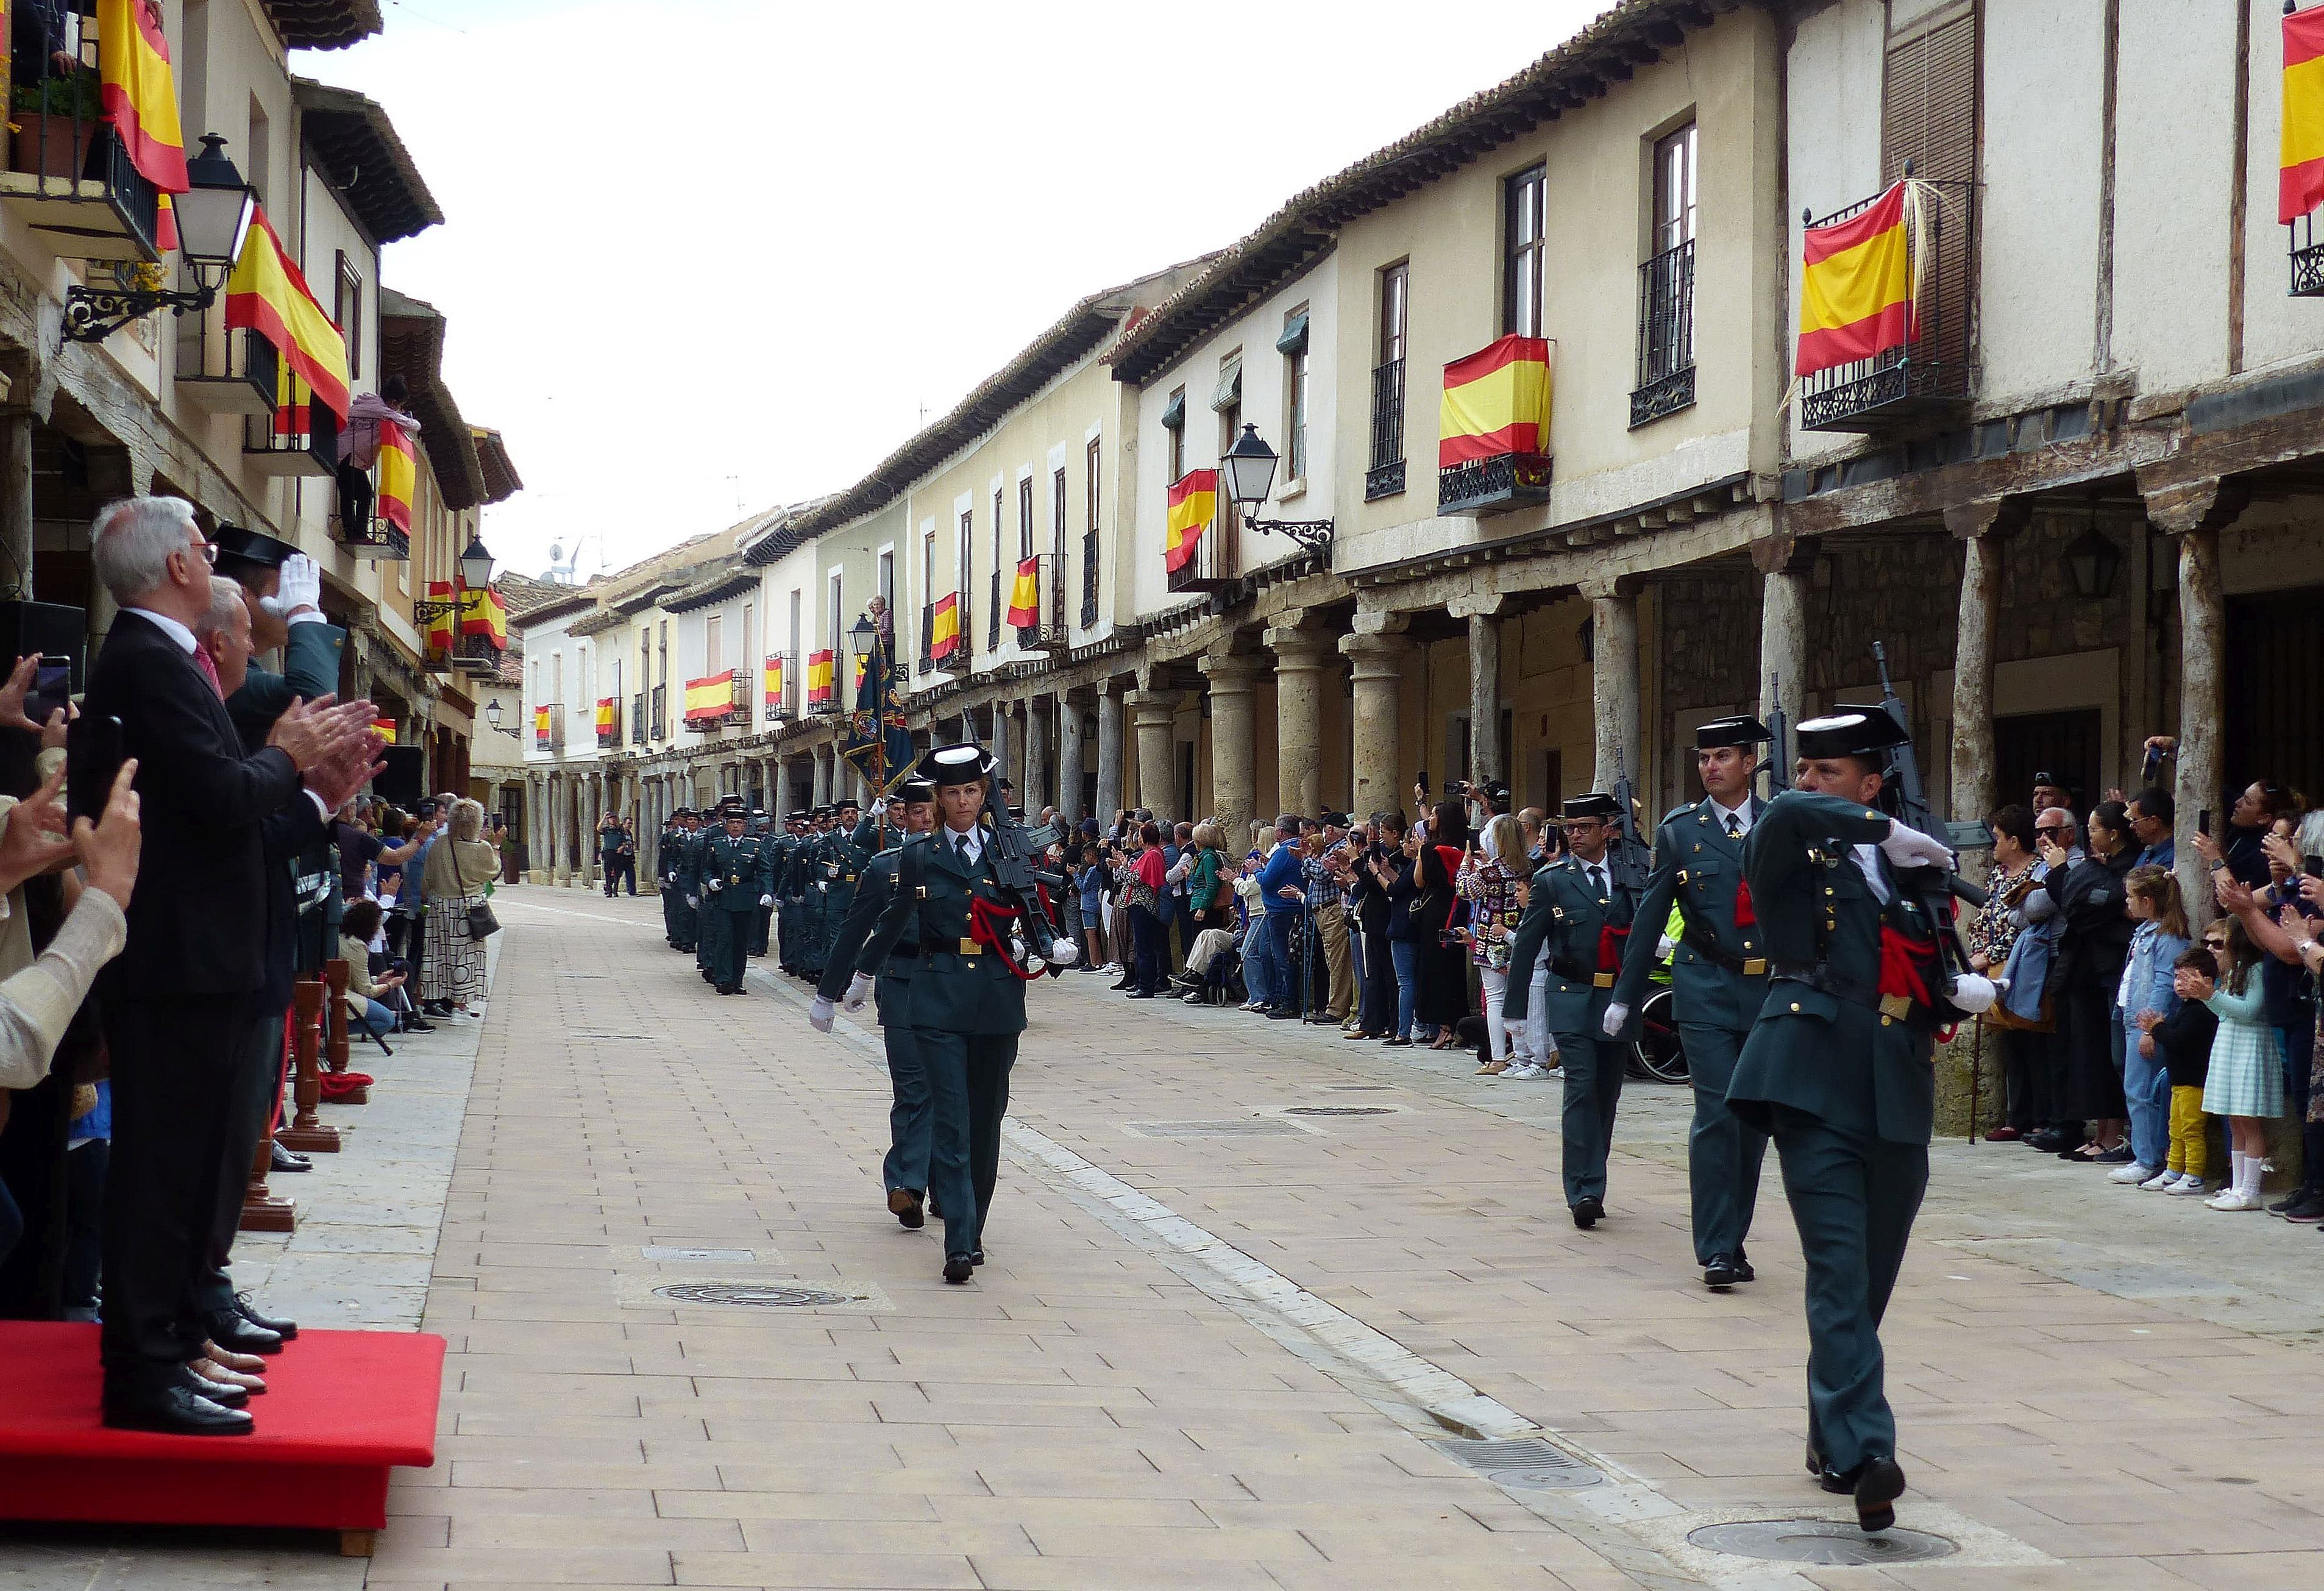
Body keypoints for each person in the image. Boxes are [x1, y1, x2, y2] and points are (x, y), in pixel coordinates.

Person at [84, 496, 375, 1436]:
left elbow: (225, 810)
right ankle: (142, 1365)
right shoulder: (146, 662)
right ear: (176, 567)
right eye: (208, 552)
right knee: (161, 1170)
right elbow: (218, 794)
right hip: (175, 962)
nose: (217, 567)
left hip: (197, 957)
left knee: (191, 1161)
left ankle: (172, 1337)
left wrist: (310, 785)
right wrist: (289, 756)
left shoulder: (164, 663)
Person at [1722, 703, 1995, 1535]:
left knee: (1867, 1287)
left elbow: (1924, 967)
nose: (1806, 782)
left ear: (1873, 778)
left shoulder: (1914, 878)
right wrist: (1877, 824)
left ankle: (1830, 1433)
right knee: (1837, 1273)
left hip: (1895, 1089)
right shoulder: (1792, 848)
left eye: (1828, 770)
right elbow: (1787, 812)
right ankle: (1867, 1449)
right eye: (1802, 767)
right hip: (1811, 1080)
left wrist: (1956, 987)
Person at [826, 743, 1078, 1283]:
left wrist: (1053, 944)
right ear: (938, 800)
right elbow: (891, 923)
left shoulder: (1011, 854)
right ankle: (958, 1244)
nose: (962, 801)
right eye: (952, 793)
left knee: (985, 1125)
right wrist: (853, 981)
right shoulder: (918, 855)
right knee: (950, 1121)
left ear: (982, 795)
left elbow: (1034, 912)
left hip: (995, 998)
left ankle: (974, 1227)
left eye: (970, 791)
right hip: (936, 999)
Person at [1606, 715, 1774, 1290]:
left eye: (1722, 757)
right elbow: (1650, 914)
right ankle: (1715, 1248)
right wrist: (1624, 998)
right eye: (1704, 759)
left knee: (1753, 1119)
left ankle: (1735, 1236)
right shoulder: (1682, 830)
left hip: (1767, 991)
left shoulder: (1779, 825)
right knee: (1717, 1112)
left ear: (1748, 764)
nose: (1709, 767)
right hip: (1703, 986)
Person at [1504, 793, 1640, 1228]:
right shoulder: (1551, 880)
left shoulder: (1632, 873)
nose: (1575, 835)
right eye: (1570, 828)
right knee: (1580, 1087)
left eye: (1585, 827)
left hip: (1616, 997)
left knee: (1606, 1094)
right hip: (1570, 994)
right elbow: (1527, 944)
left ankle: (1592, 1176)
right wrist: (1515, 1008)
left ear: (1607, 830)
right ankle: (1582, 1190)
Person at [811, 777, 938, 1226]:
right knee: (912, 1089)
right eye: (916, 812)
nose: (925, 819)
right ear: (902, 815)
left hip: (958, 988)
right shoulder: (887, 866)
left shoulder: (971, 860)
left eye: (931, 810)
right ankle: (905, 1185)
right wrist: (829, 993)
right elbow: (854, 930)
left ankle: (945, 1182)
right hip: (902, 982)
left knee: (954, 1092)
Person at [2041, 800, 2138, 1162]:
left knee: (2107, 1053)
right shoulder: (2099, 867)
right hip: (2085, 969)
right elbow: (2077, 903)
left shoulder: (2128, 867)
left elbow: (2088, 903)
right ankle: (2101, 1132)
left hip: (2109, 967)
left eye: (2095, 829)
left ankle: (2114, 1136)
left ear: (2113, 834)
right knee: (2089, 1053)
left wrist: (2064, 873)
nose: (2090, 835)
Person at [2110, 867, 2190, 1187]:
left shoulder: (2168, 939)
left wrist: (2151, 1028)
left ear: (2147, 900)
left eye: (2131, 897)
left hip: (2145, 1023)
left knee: (2142, 1091)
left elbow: (2163, 984)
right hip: (2129, 1016)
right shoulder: (2145, 932)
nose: (2127, 903)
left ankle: (2148, 1158)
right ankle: (2145, 1153)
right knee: (2135, 1088)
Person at [1457, 815, 1526, 1075]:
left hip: (1490, 941)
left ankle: (1498, 1056)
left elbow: (1463, 890)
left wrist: (1466, 864)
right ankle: (1525, 1054)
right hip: (1520, 937)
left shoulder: (1488, 872)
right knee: (1523, 998)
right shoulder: (1527, 868)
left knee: (1496, 999)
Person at [419, 799, 497, 1017]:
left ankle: (439, 999)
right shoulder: (482, 848)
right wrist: (497, 845)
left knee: (438, 955)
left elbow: (427, 880)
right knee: (466, 957)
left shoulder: (439, 844)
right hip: (467, 907)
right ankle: (460, 1005)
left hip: (440, 906)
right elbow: (493, 872)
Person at [2152, 945, 2222, 1194]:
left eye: (2187, 977)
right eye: (2177, 977)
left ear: (2205, 980)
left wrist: (2157, 1029)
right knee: (2176, 1127)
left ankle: (2194, 1174)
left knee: (2192, 1129)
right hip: (2180, 1081)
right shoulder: (2186, 1007)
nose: (2179, 983)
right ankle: (2173, 1169)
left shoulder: (2201, 1010)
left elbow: (2179, 1039)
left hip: (2195, 1082)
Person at [697, 802, 773, 996]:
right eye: (732, 823)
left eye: (739, 823)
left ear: (745, 826)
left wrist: (767, 892)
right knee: (724, 939)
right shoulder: (716, 846)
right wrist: (711, 881)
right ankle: (723, 980)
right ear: (726, 824)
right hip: (722, 898)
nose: (736, 826)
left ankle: (737, 980)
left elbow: (765, 871)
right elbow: (706, 869)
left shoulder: (754, 846)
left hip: (745, 898)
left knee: (741, 942)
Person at [335, 375, 419, 539]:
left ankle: (355, 533)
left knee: (354, 493)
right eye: (399, 406)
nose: (398, 410)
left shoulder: (376, 406)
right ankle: (355, 534)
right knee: (362, 494)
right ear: (393, 402)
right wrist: (407, 419)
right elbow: (413, 425)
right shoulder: (379, 409)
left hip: (349, 457)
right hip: (347, 457)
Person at [336, 899, 405, 1040]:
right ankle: (336, 1030)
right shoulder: (357, 946)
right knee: (387, 1021)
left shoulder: (343, 938)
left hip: (340, 988)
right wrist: (390, 985)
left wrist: (378, 979)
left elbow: (357, 980)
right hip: (341, 994)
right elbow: (366, 991)